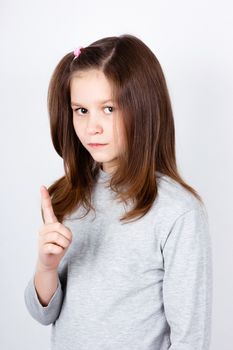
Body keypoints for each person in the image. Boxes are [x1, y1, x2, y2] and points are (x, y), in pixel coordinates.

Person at [24, 33, 213, 350]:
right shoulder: (68, 198)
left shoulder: (177, 211)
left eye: (108, 109)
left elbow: (191, 338)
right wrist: (46, 266)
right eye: (81, 110)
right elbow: (44, 315)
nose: (91, 126)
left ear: (144, 108)